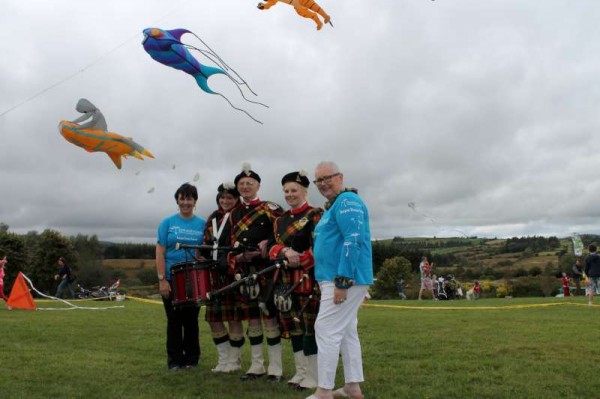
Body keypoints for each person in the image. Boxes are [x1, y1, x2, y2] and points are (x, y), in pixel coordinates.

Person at [308, 161, 373, 399]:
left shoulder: (348, 202)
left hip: (343, 279)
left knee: (325, 329)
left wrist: (343, 282)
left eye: (328, 178)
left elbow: (353, 239)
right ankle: (352, 387)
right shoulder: (334, 206)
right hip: (335, 279)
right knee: (346, 331)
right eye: (319, 180)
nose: (323, 184)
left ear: (340, 177)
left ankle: (323, 391)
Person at [227, 164, 284, 382]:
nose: (245, 186)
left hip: (266, 269)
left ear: (258, 185)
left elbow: (285, 231)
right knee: (251, 320)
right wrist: (239, 257)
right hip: (244, 270)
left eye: (250, 183)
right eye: (241, 184)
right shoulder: (234, 214)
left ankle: (276, 368)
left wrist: (267, 242)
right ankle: (257, 365)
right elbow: (231, 242)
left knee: (269, 318)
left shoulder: (271, 208)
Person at [269, 171, 323, 391]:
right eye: (286, 191)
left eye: (294, 190)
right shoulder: (280, 220)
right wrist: (284, 250)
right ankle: (300, 371)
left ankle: (314, 375)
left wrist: (301, 258)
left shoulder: (316, 214)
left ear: (305, 191)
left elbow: (320, 246)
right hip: (285, 279)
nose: (289, 194)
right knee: (294, 328)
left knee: (310, 327)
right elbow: (272, 248)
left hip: (308, 278)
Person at [156, 183, 206, 370]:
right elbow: (160, 253)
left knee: (191, 321)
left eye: (189, 198)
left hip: (193, 280)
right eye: (182, 198)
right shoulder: (167, 223)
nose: (186, 202)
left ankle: (192, 359)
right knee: (174, 321)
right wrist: (162, 279)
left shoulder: (202, 224)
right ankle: (175, 361)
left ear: (195, 201)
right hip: (171, 279)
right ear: (177, 200)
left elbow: (204, 252)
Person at [202, 182, 244, 373]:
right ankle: (223, 359)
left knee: (233, 318)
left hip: (230, 272)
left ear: (236, 199)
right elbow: (206, 242)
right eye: (222, 197)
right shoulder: (212, 217)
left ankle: (234, 361)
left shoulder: (239, 216)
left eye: (230, 197)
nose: (225, 201)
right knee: (214, 318)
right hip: (212, 273)